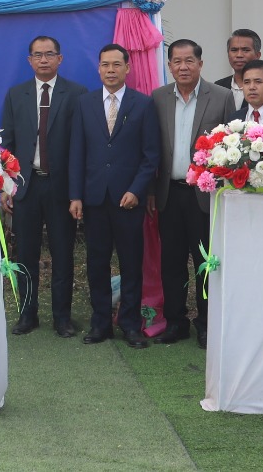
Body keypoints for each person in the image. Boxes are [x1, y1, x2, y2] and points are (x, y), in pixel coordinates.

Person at [70, 43, 160, 349]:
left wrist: (136, 190)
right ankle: (100, 323)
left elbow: (151, 155)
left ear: (127, 68)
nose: (111, 70)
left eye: (116, 65)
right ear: (98, 69)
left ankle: (130, 324)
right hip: (94, 198)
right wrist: (76, 195)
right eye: (105, 65)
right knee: (96, 263)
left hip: (128, 200)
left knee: (131, 264)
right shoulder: (84, 103)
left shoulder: (143, 104)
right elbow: (77, 152)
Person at [0, 35, 88, 338]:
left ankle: (62, 317)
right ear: (30, 60)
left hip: (61, 187)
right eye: (38, 55)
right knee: (25, 254)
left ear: (60, 59)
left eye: (49, 54)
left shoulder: (76, 94)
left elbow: (80, 146)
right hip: (27, 186)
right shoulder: (16, 94)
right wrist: (7, 185)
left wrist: (77, 193)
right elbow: (7, 145)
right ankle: (27, 314)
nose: (44, 60)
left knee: (63, 254)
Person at [152, 38, 233, 349]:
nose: (183, 67)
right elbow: (153, 148)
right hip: (169, 194)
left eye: (189, 61)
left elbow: (229, 145)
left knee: (205, 261)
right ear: (169, 65)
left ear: (200, 64)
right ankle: (175, 322)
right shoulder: (158, 97)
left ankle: (207, 323)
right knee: (171, 261)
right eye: (177, 61)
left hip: (204, 196)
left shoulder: (221, 97)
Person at [213, 29, 261, 111]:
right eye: (234, 50)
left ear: (257, 55)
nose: (239, 55)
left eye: (245, 50)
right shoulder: (218, 86)